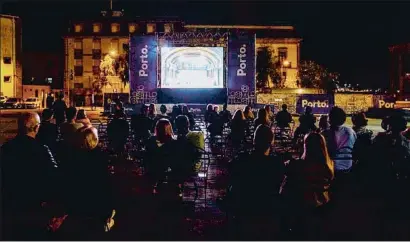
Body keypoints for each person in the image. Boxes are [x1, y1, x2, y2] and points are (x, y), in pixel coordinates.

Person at [1, 112, 58, 240]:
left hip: (11, 204)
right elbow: (54, 176)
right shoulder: (42, 150)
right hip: (35, 205)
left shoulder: (6, 149)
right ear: (36, 128)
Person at [223, 124, 285, 234]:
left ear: (254, 140)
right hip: (268, 207)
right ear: (271, 142)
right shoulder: (276, 163)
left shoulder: (242, 159)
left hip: (243, 205)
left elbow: (230, 173)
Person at [60, 127, 114, 237]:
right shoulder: (101, 160)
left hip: (75, 207)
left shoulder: (71, 159)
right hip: (95, 209)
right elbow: (106, 188)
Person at [281, 132, 334, 239]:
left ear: (306, 146)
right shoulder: (329, 165)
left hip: (300, 205)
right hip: (321, 204)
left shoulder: (297, 165)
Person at [144, 119, 177, 191]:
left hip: (153, 166)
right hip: (168, 167)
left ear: (157, 128)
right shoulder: (173, 142)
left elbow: (147, 153)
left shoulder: (152, 140)